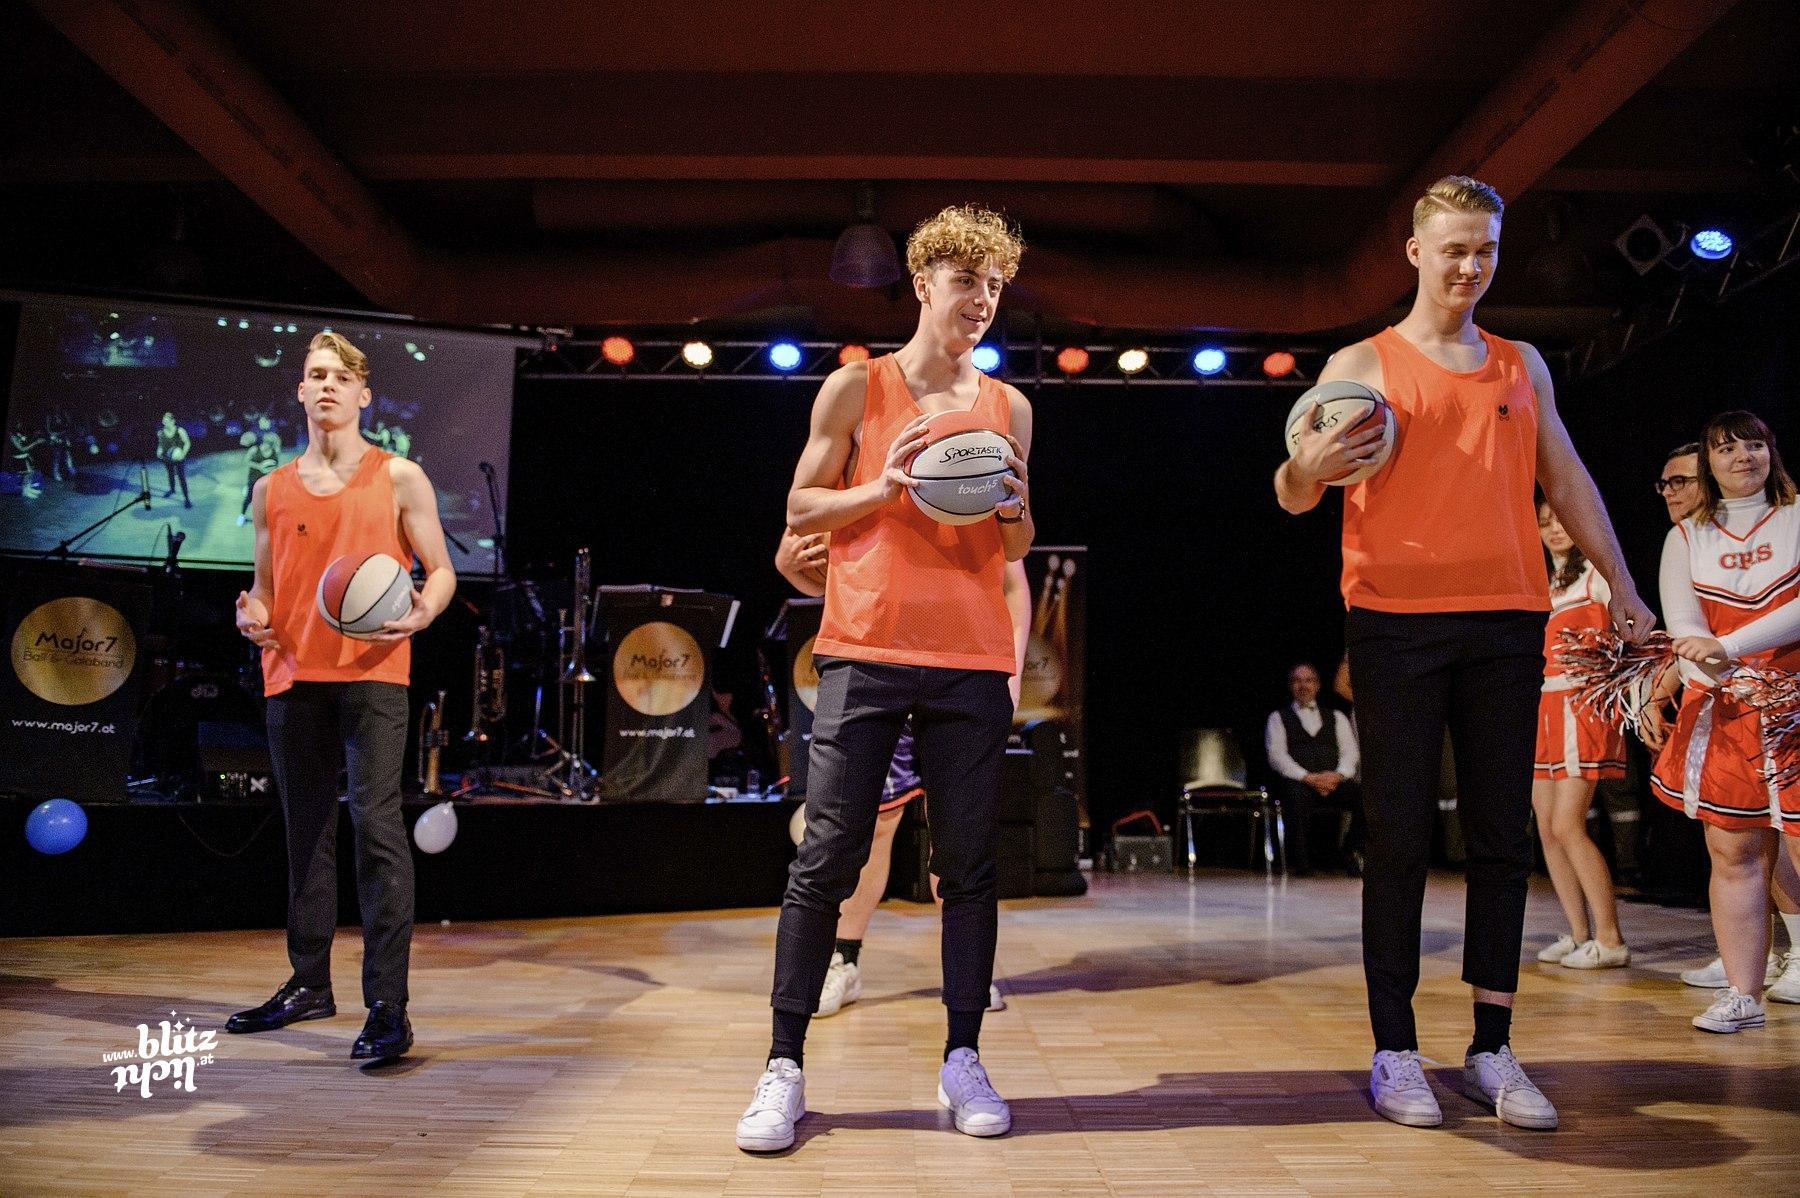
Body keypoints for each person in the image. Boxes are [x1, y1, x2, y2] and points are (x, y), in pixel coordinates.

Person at [1274, 175, 1654, 1132]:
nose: (1471, 265)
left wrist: (1623, 583)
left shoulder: (1523, 363)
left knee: (1499, 839)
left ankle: (1492, 1046)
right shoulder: (1362, 363)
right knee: (1399, 837)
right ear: (1415, 252)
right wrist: (1302, 469)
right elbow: (1294, 490)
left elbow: (1567, 476)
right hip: (1395, 621)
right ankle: (1394, 1050)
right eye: (1454, 249)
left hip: (1507, 619)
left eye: (1485, 249)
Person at [737, 205, 1032, 1153]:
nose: (981, 299)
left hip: (970, 659)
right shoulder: (856, 388)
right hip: (864, 647)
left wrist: (1019, 512)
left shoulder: (1010, 408)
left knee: (968, 868)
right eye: (966, 280)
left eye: (995, 286)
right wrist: (883, 488)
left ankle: (963, 1057)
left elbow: (1015, 545)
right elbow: (800, 506)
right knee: (826, 858)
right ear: (923, 283)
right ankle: (783, 1066)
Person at [226, 331, 455, 1061]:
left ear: (363, 394)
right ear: (300, 390)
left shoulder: (399, 477)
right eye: (315, 374)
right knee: (307, 835)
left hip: (373, 673)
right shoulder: (270, 488)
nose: (327, 385)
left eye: (340, 376)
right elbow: (264, 590)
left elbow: (441, 571)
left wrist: (423, 611)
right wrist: (253, 616)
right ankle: (308, 984)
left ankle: (387, 1006)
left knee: (377, 829)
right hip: (293, 676)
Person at [775, 527, 1030, 1016]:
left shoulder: (969, 481)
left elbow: (1013, 582)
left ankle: (967, 974)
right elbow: (836, 578)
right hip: (880, 668)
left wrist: (1010, 673)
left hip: (961, 670)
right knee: (872, 825)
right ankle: (843, 959)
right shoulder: (863, 487)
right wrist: (792, 569)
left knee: (956, 833)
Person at [1650, 410, 1800, 1030]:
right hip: (1727, 709)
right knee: (1733, 850)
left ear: (1771, 451)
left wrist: (1729, 650)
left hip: (1794, 705)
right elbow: (1684, 624)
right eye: (1727, 448)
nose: (1743, 457)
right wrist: (1713, 666)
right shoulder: (1687, 536)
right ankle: (1744, 994)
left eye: (1753, 444)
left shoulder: (1797, 516)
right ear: (1708, 463)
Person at [1530, 499, 1629, 969]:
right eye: (1545, 523)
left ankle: (1610, 939)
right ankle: (1578, 933)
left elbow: (1628, 638)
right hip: (1542, 705)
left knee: (1568, 823)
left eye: (1561, 520)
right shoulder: (1541, 583)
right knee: (1547, 827)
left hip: (1580, 703)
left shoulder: (1598, 575)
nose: (1555, 530)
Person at [1264, 662, 1363, 876]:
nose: (1303, 686)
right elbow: (1277, 757)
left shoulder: (1336, 717)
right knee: (1295, 796)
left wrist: (1337, 776)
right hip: (1300, 782)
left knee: (1366, 799)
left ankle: (1349, 852)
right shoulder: (1278, 718)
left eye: (1308, 680)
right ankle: (1302, 862)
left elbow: (1350, 752)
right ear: (1291, 686)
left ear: (1317, 685)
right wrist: (1308, 778)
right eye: (1297, 681)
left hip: (1332, 781)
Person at [238, 416, 281, 525]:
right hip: (254, 477)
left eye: (269, 445)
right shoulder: (254, 449)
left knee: (269, 499)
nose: (266, 446)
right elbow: (246, 461)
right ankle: (242, 516)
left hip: (266, 479)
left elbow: (275, 465)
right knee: (249, 498)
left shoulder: (275, 452)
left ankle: (269, 518)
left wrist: (272, 470)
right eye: (265, 444)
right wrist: (259, 466)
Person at [154, 411, 192, 508]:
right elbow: (161, 445)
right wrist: (159, 451)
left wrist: (183, 454)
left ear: (173, 421)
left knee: (181, 477)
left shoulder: (180, 431)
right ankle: (172, 489)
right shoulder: (161, 433)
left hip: (178, 457)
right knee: (170, 474)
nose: (164, 422)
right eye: (163, 421)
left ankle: (187, 499)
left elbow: (187, 443)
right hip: (167, 457)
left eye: (167, 421)